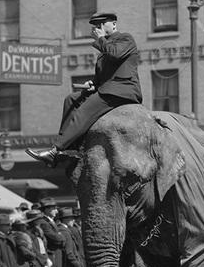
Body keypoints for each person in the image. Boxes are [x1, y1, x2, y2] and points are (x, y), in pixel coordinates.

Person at [26, 12, 144, 167]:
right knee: (71, 100)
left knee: (83, 111)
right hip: (107, 88)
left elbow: (115, 55)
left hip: (122, 90)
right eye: (96, 26)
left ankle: (55, 150)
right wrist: (94, 84)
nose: (98, 28)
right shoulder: (104, 49)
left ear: (114, 24)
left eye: (101, 24)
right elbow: (103, 76)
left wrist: (101, 38)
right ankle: (69, 149)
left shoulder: (125, 38)